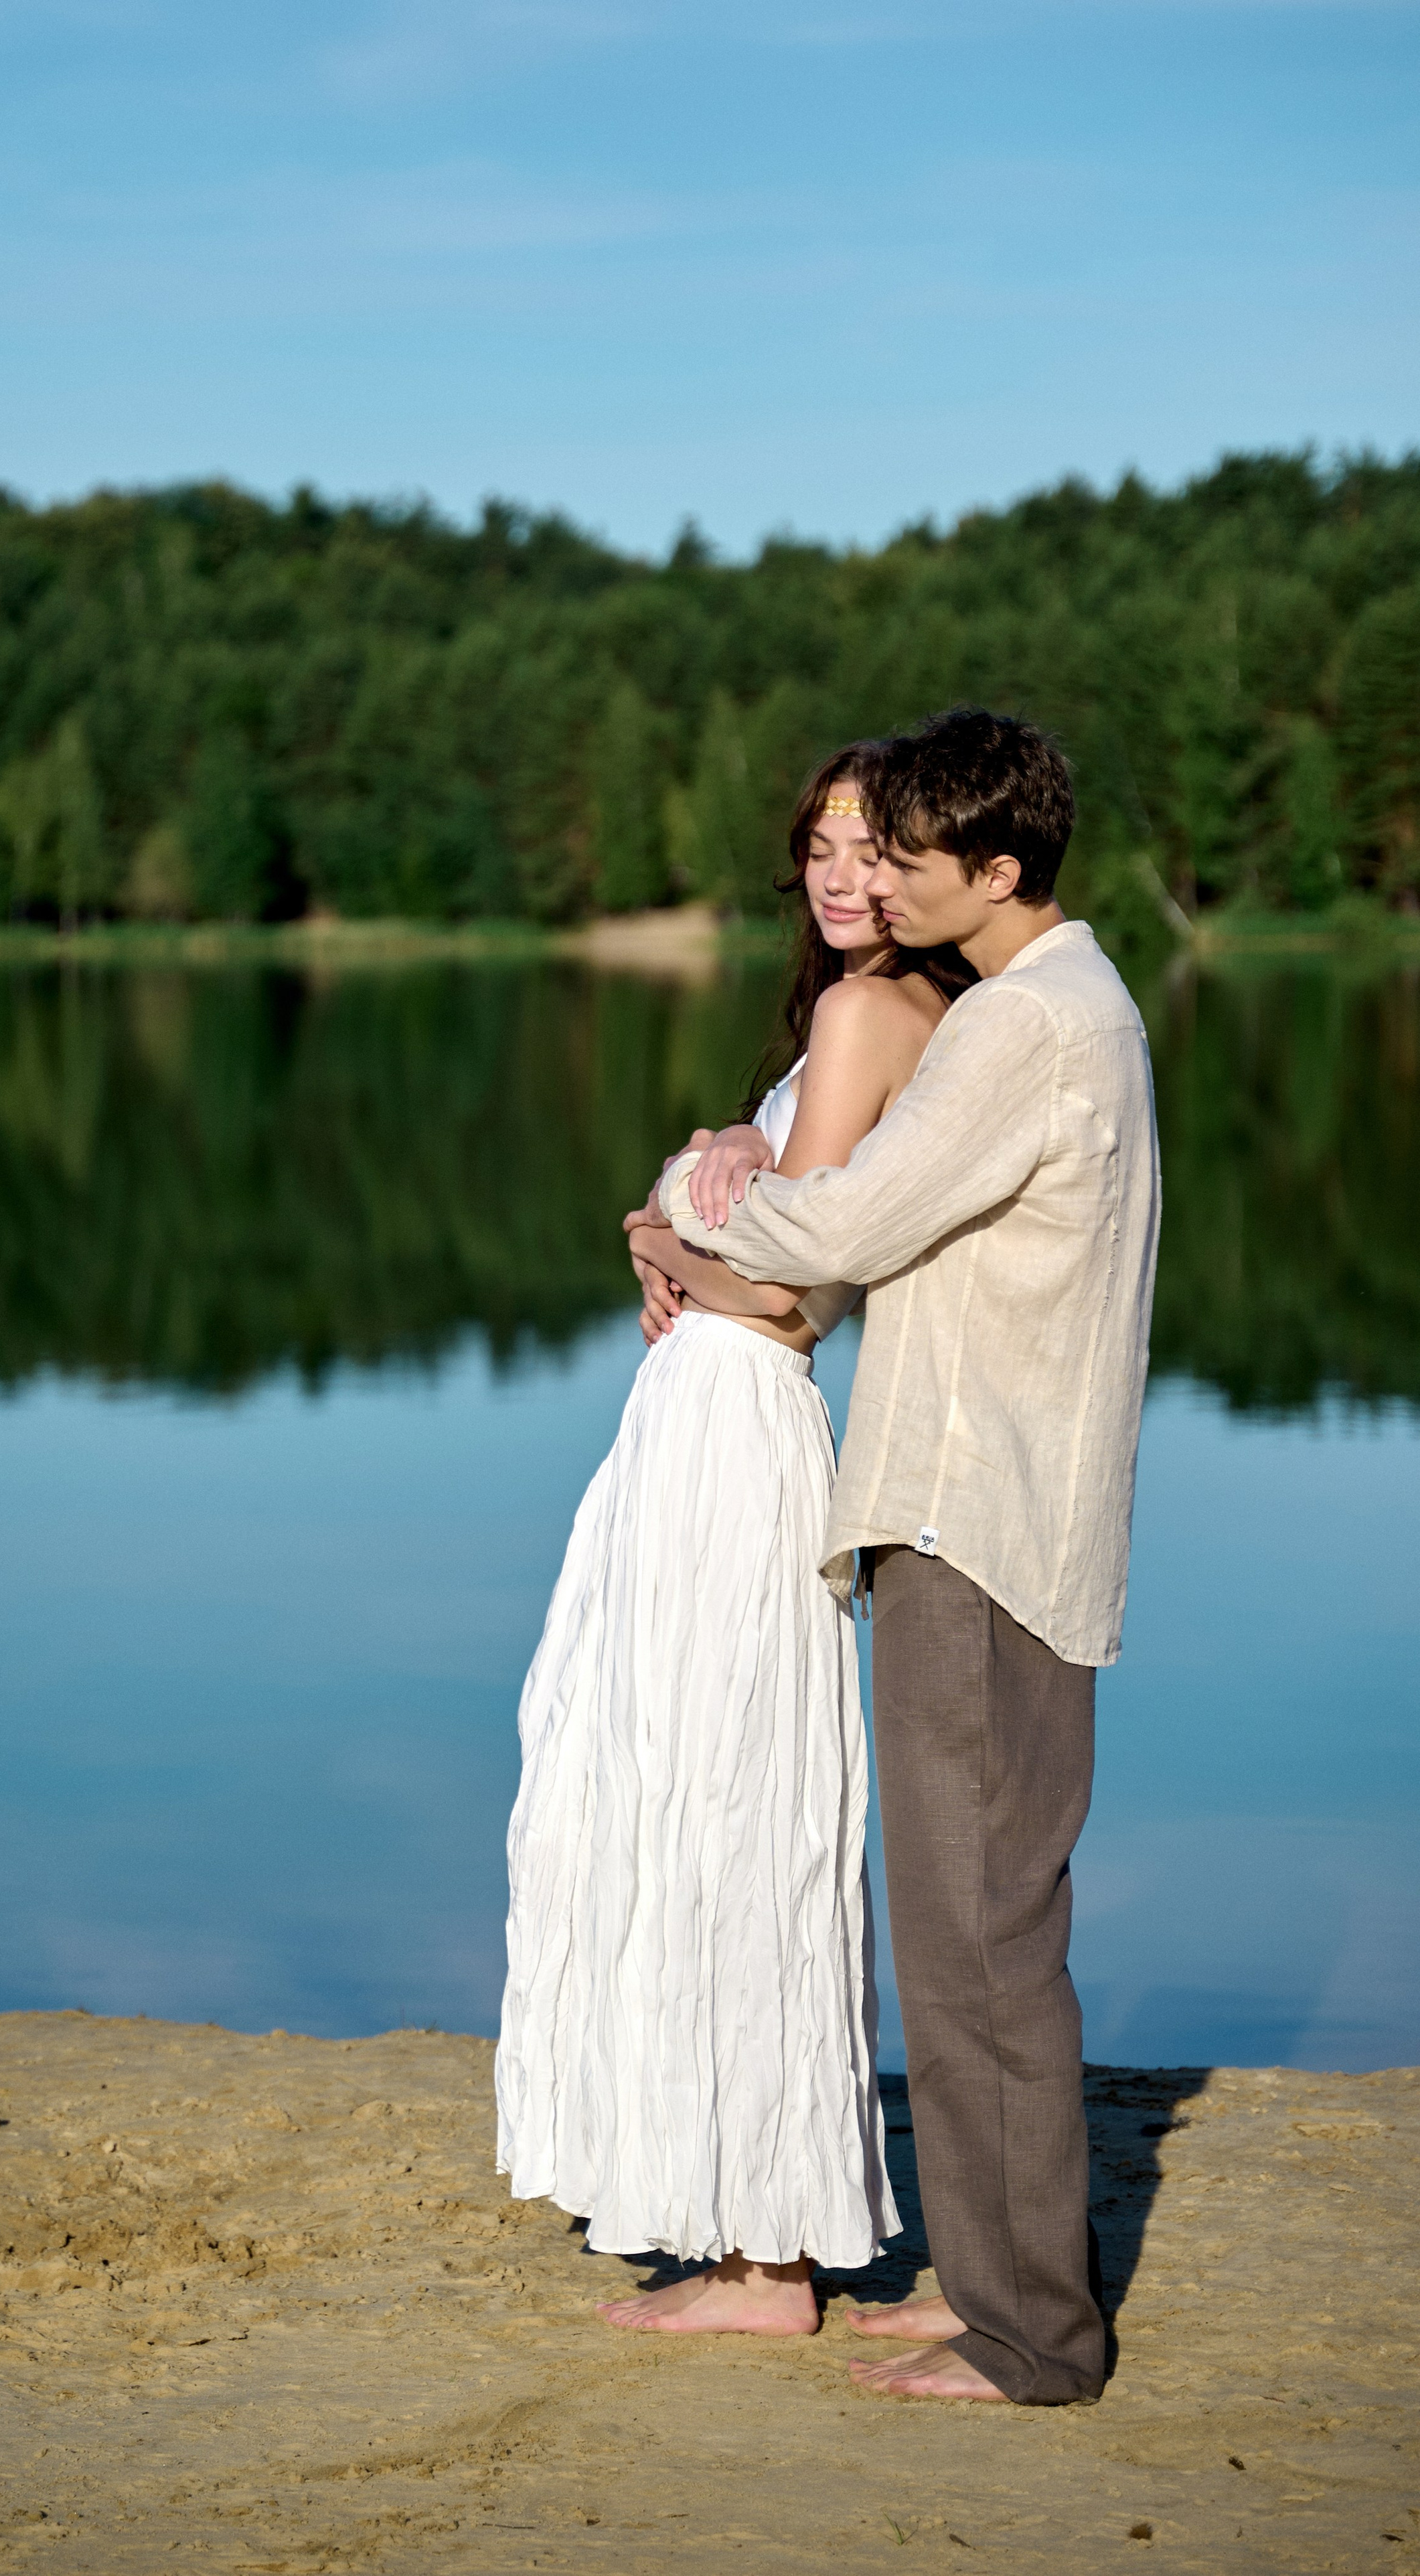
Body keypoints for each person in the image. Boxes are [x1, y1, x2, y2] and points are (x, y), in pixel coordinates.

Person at [659, 706, 1160, 2405]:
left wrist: (688, 1208)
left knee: (977, 1938)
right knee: (969, 1926)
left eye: (914, 860)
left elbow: (849, 1224)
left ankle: (1030, 2341)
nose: (882, 884)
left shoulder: (1024, 1023)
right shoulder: (1065, 1004)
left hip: (974, 1520)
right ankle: (988, 2288)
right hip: (993, 1507)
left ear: (996, 872)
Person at [495, 746, 973, 2335]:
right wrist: (698, 1194)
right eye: (818, 844)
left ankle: (765, 2264)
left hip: (735, 1414)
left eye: (870, 846)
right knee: (701, 1789)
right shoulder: (883, 1013)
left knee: (712, 1795)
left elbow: (783, 1288)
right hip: (717, 1424)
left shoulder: (864, 1015)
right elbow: (779, 1223)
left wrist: (656, 1232)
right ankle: (741, 2222)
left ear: (924, 863)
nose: (838, 873)